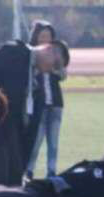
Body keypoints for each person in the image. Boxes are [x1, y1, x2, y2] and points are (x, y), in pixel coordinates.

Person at [0, 37, 70, 187]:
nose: (52, 70)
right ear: (48, 49)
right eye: (55, 64)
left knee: (14, 189)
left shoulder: (37, 81)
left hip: (13, 143)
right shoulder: (14, 51)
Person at [25, 20, 66, 179]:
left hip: (56, 104)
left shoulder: (56, 52)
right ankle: (29, 171)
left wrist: (56, 65)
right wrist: (38, 67)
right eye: (42, 36)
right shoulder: (30, 53)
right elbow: (28, 78)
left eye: (48, 36)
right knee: (35, 141)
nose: (45, 39)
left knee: (53, 143)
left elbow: (63, 76)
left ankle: (51, 172)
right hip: (39, 105)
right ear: (35, 37)